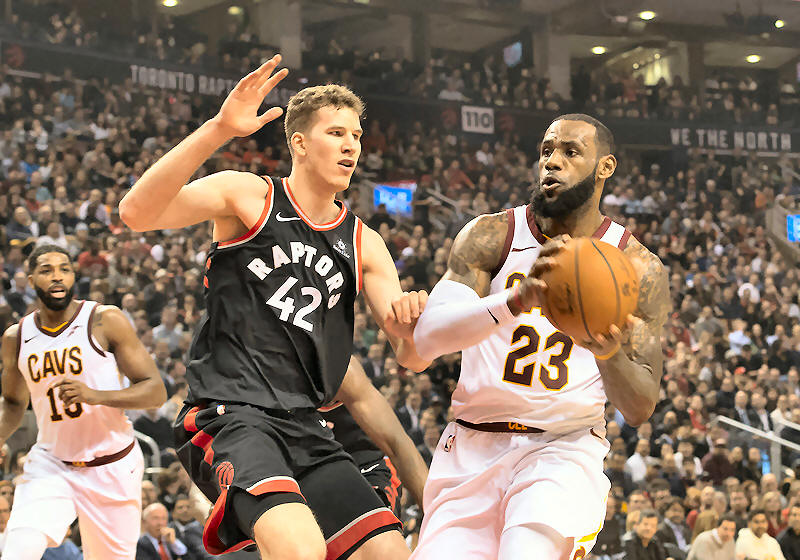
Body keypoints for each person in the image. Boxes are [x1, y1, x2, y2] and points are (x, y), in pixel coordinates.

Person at [120, 56, 429, 560]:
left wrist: (412, 329)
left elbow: (411, 358)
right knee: (300, 549)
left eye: (356, 135)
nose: (351, 145)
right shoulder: (250, 195)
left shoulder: (365, 243)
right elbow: (135, 213)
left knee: (389, 553)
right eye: (336, 133)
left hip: (305, 423)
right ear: (300, 143)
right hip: (231, 413)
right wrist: (220, 128)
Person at [410, 114, 670, 558]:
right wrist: (514, 299)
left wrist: (609, 354)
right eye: (547, 150)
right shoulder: (492, 235)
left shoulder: (638, 266)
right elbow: (427, 339)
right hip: (472, 443)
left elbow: (640, 407)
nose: (552, 161)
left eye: (571, 152)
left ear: (605, 167)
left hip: (563, 447)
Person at [0, 244, 167, 559]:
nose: (57, 276)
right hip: (51, 464)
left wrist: (96, 396)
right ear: (31, 279)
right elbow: (12, 401)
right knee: (18, 549)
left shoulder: (104, 319)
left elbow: (155, 391)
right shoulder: (16, 337)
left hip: (112, 464)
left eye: (64, 269)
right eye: (47, 270)